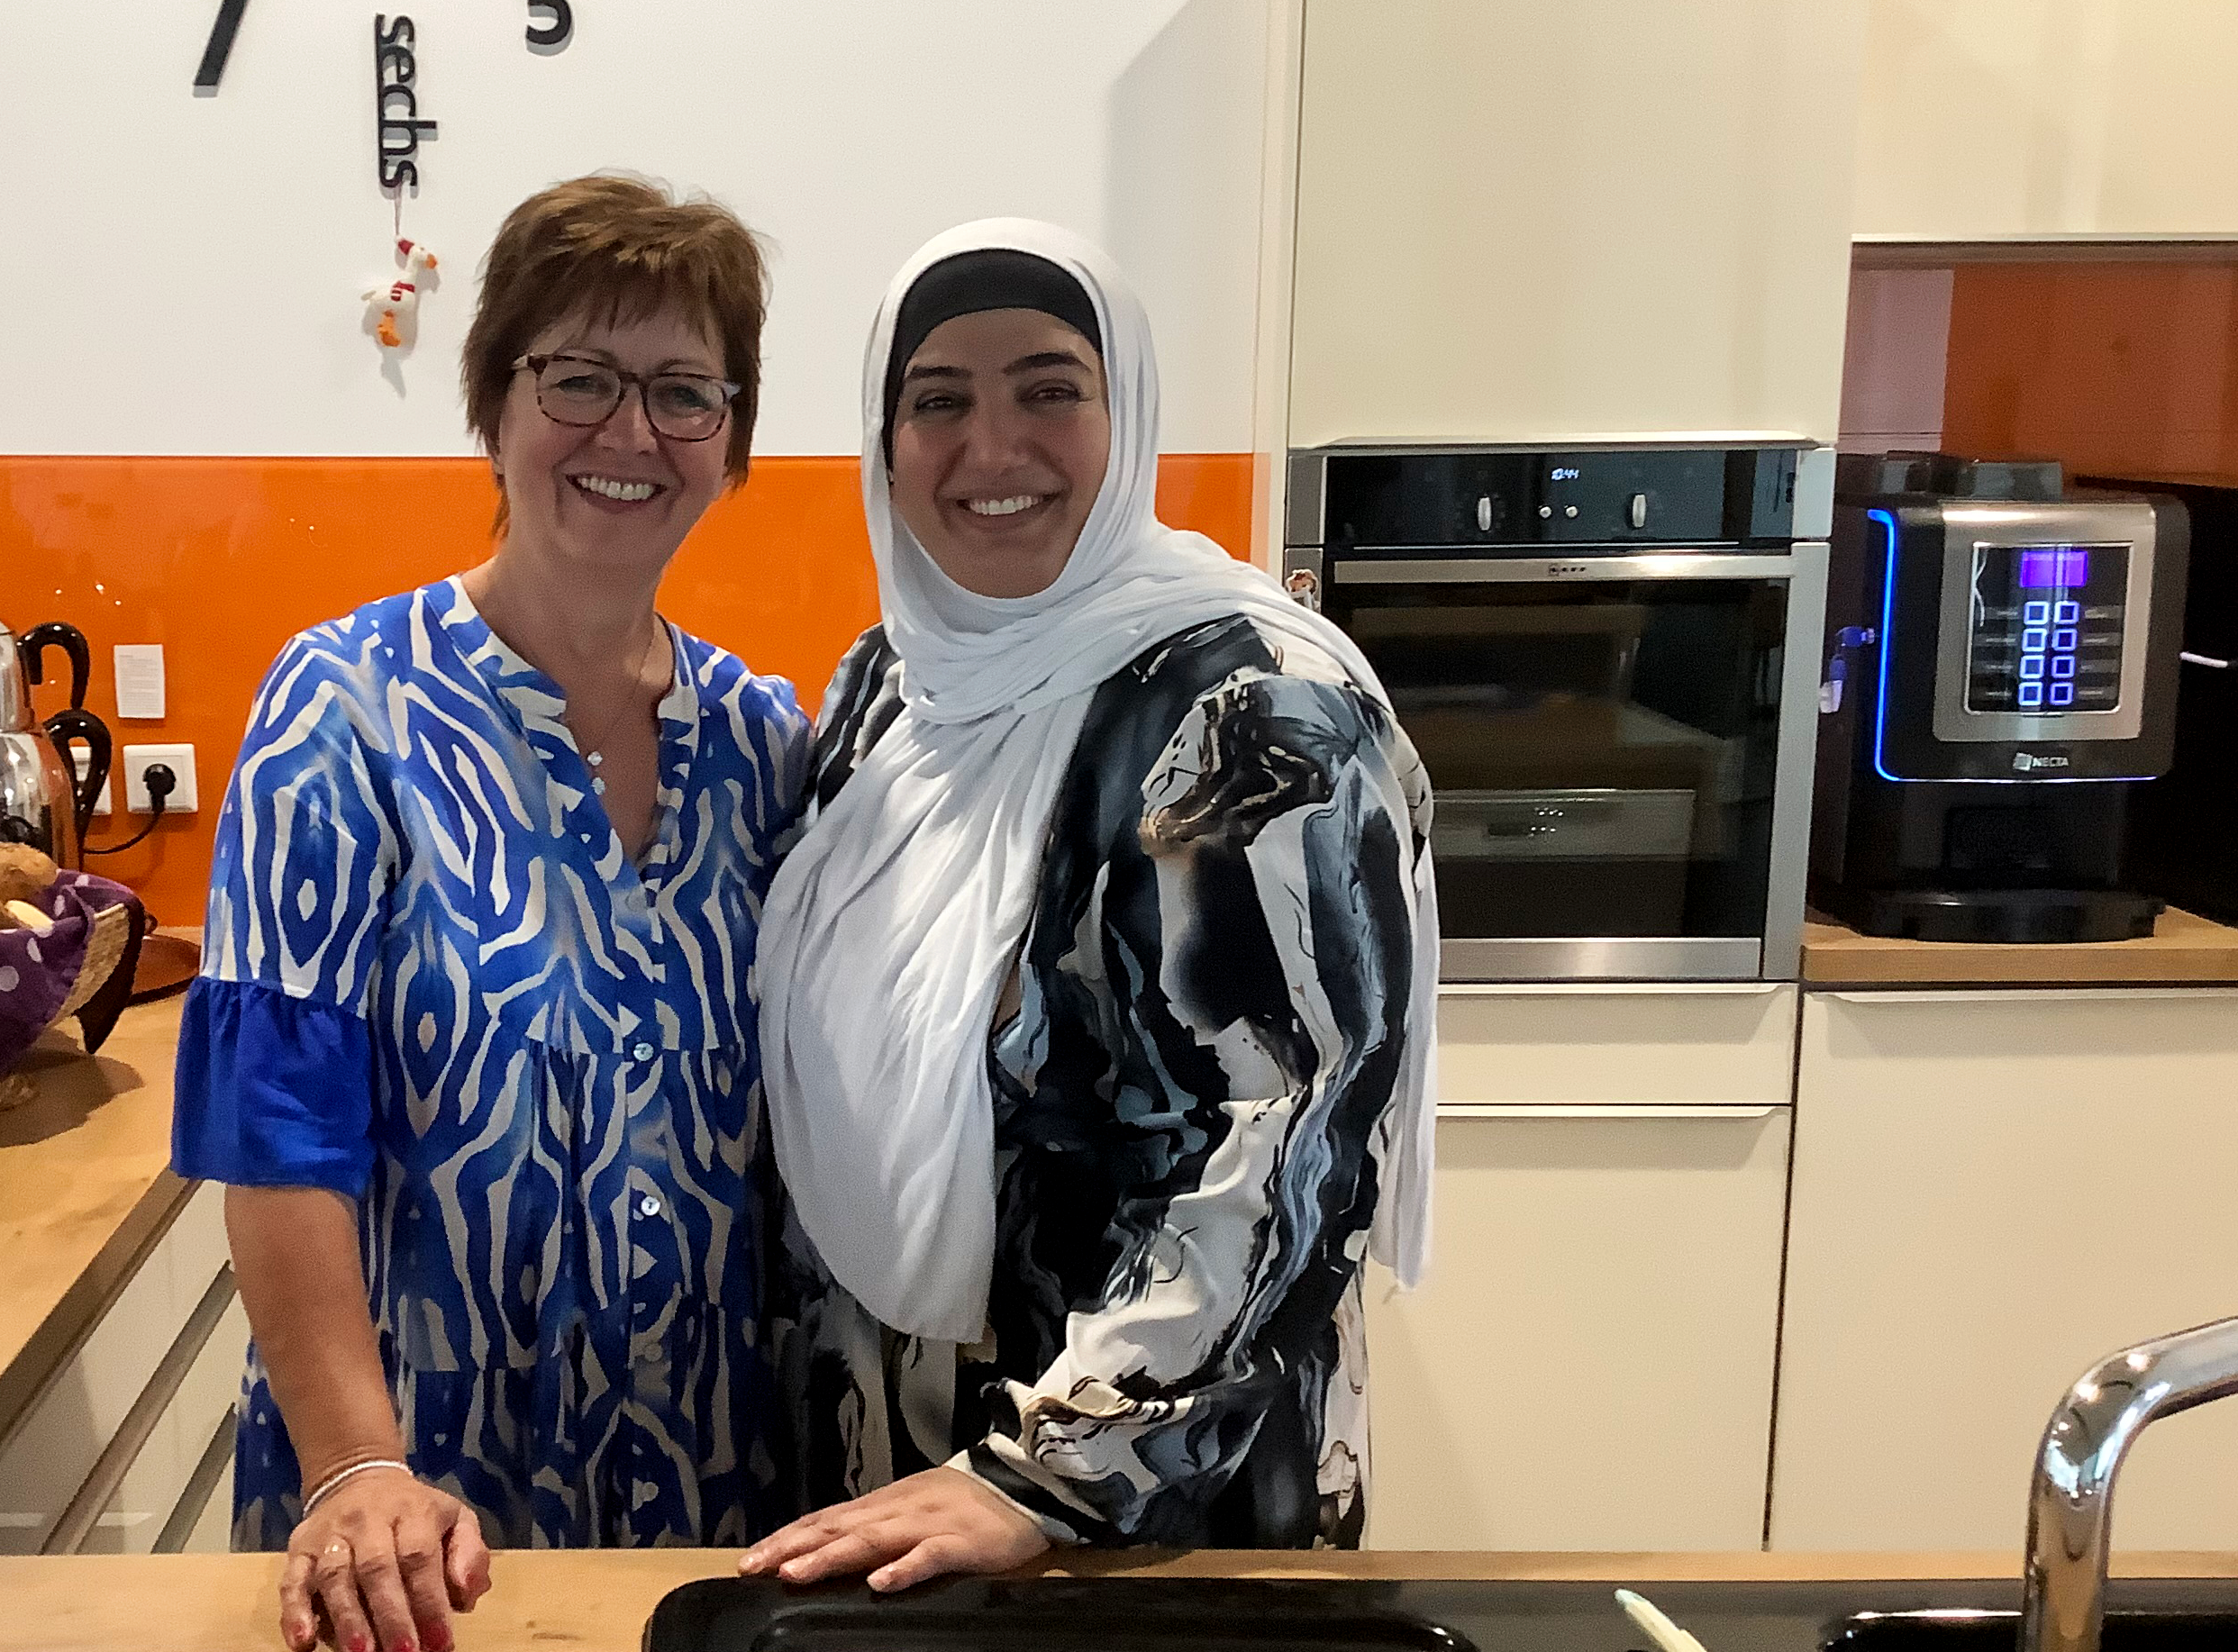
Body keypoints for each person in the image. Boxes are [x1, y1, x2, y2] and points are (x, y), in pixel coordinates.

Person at [742, 220, 1442, 1593]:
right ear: (883, 443)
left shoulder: (1254, 715)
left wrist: (1054, 1471)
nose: (992, 447)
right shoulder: (890, 691)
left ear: (1130, 412)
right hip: (898, 1480)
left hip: (1145, 1520)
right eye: (937, 399)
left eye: (1049, 387)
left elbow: (1290, 1145)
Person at [173, 174, 805, 1652]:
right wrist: (356, 1463)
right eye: (578, 378)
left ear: (734, 440)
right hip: (412, 1518)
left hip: (715, 1490)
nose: (629, 433)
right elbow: (277, 1141)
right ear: (494, 402)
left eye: (683, 392)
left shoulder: (768, 742)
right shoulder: (341, 710)